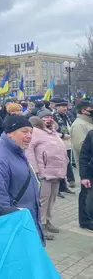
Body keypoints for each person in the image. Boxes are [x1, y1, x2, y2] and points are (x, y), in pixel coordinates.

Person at [0, 115, 44, 244]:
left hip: (26, 221)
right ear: (9, 133)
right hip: (15, 228)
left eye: (31, 132)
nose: (29, 136)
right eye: (24, 131)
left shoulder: (17, 151)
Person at [26, 115, 68, 240]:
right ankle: (41, 224)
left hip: (57, 172)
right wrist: (36, 170)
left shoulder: (54, 132)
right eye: (45, 118)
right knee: (43, 200)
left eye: (50, 118)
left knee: (52, 198)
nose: (48, 120)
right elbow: (29, 150)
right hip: (44, 173)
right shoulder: (36, 132)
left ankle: (48, 221)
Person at [71, 100, 93, 231]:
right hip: (87, 165)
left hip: (88, 164)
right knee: (86, 194)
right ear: (83, 110)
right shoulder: (79, 124)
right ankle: (85, 220)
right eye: (90, 108)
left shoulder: (87, 122)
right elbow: (80, 145)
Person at [52, 98, 76, 191]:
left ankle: (70, 181)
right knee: (62, 163)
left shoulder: (67, 115)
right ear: (57, 107)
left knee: (68, 162)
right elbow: (53, 130)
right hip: (60, 142)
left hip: (68, 142)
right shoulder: (54, 117)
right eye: (62, 106)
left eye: (66, 106)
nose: (65, 108)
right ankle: (64, 183)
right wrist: (62, 135)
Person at [79, 130, 93, 219]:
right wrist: (84, 177)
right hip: (91, 173)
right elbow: (84, 156)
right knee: (89, 203)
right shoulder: (91, 134)